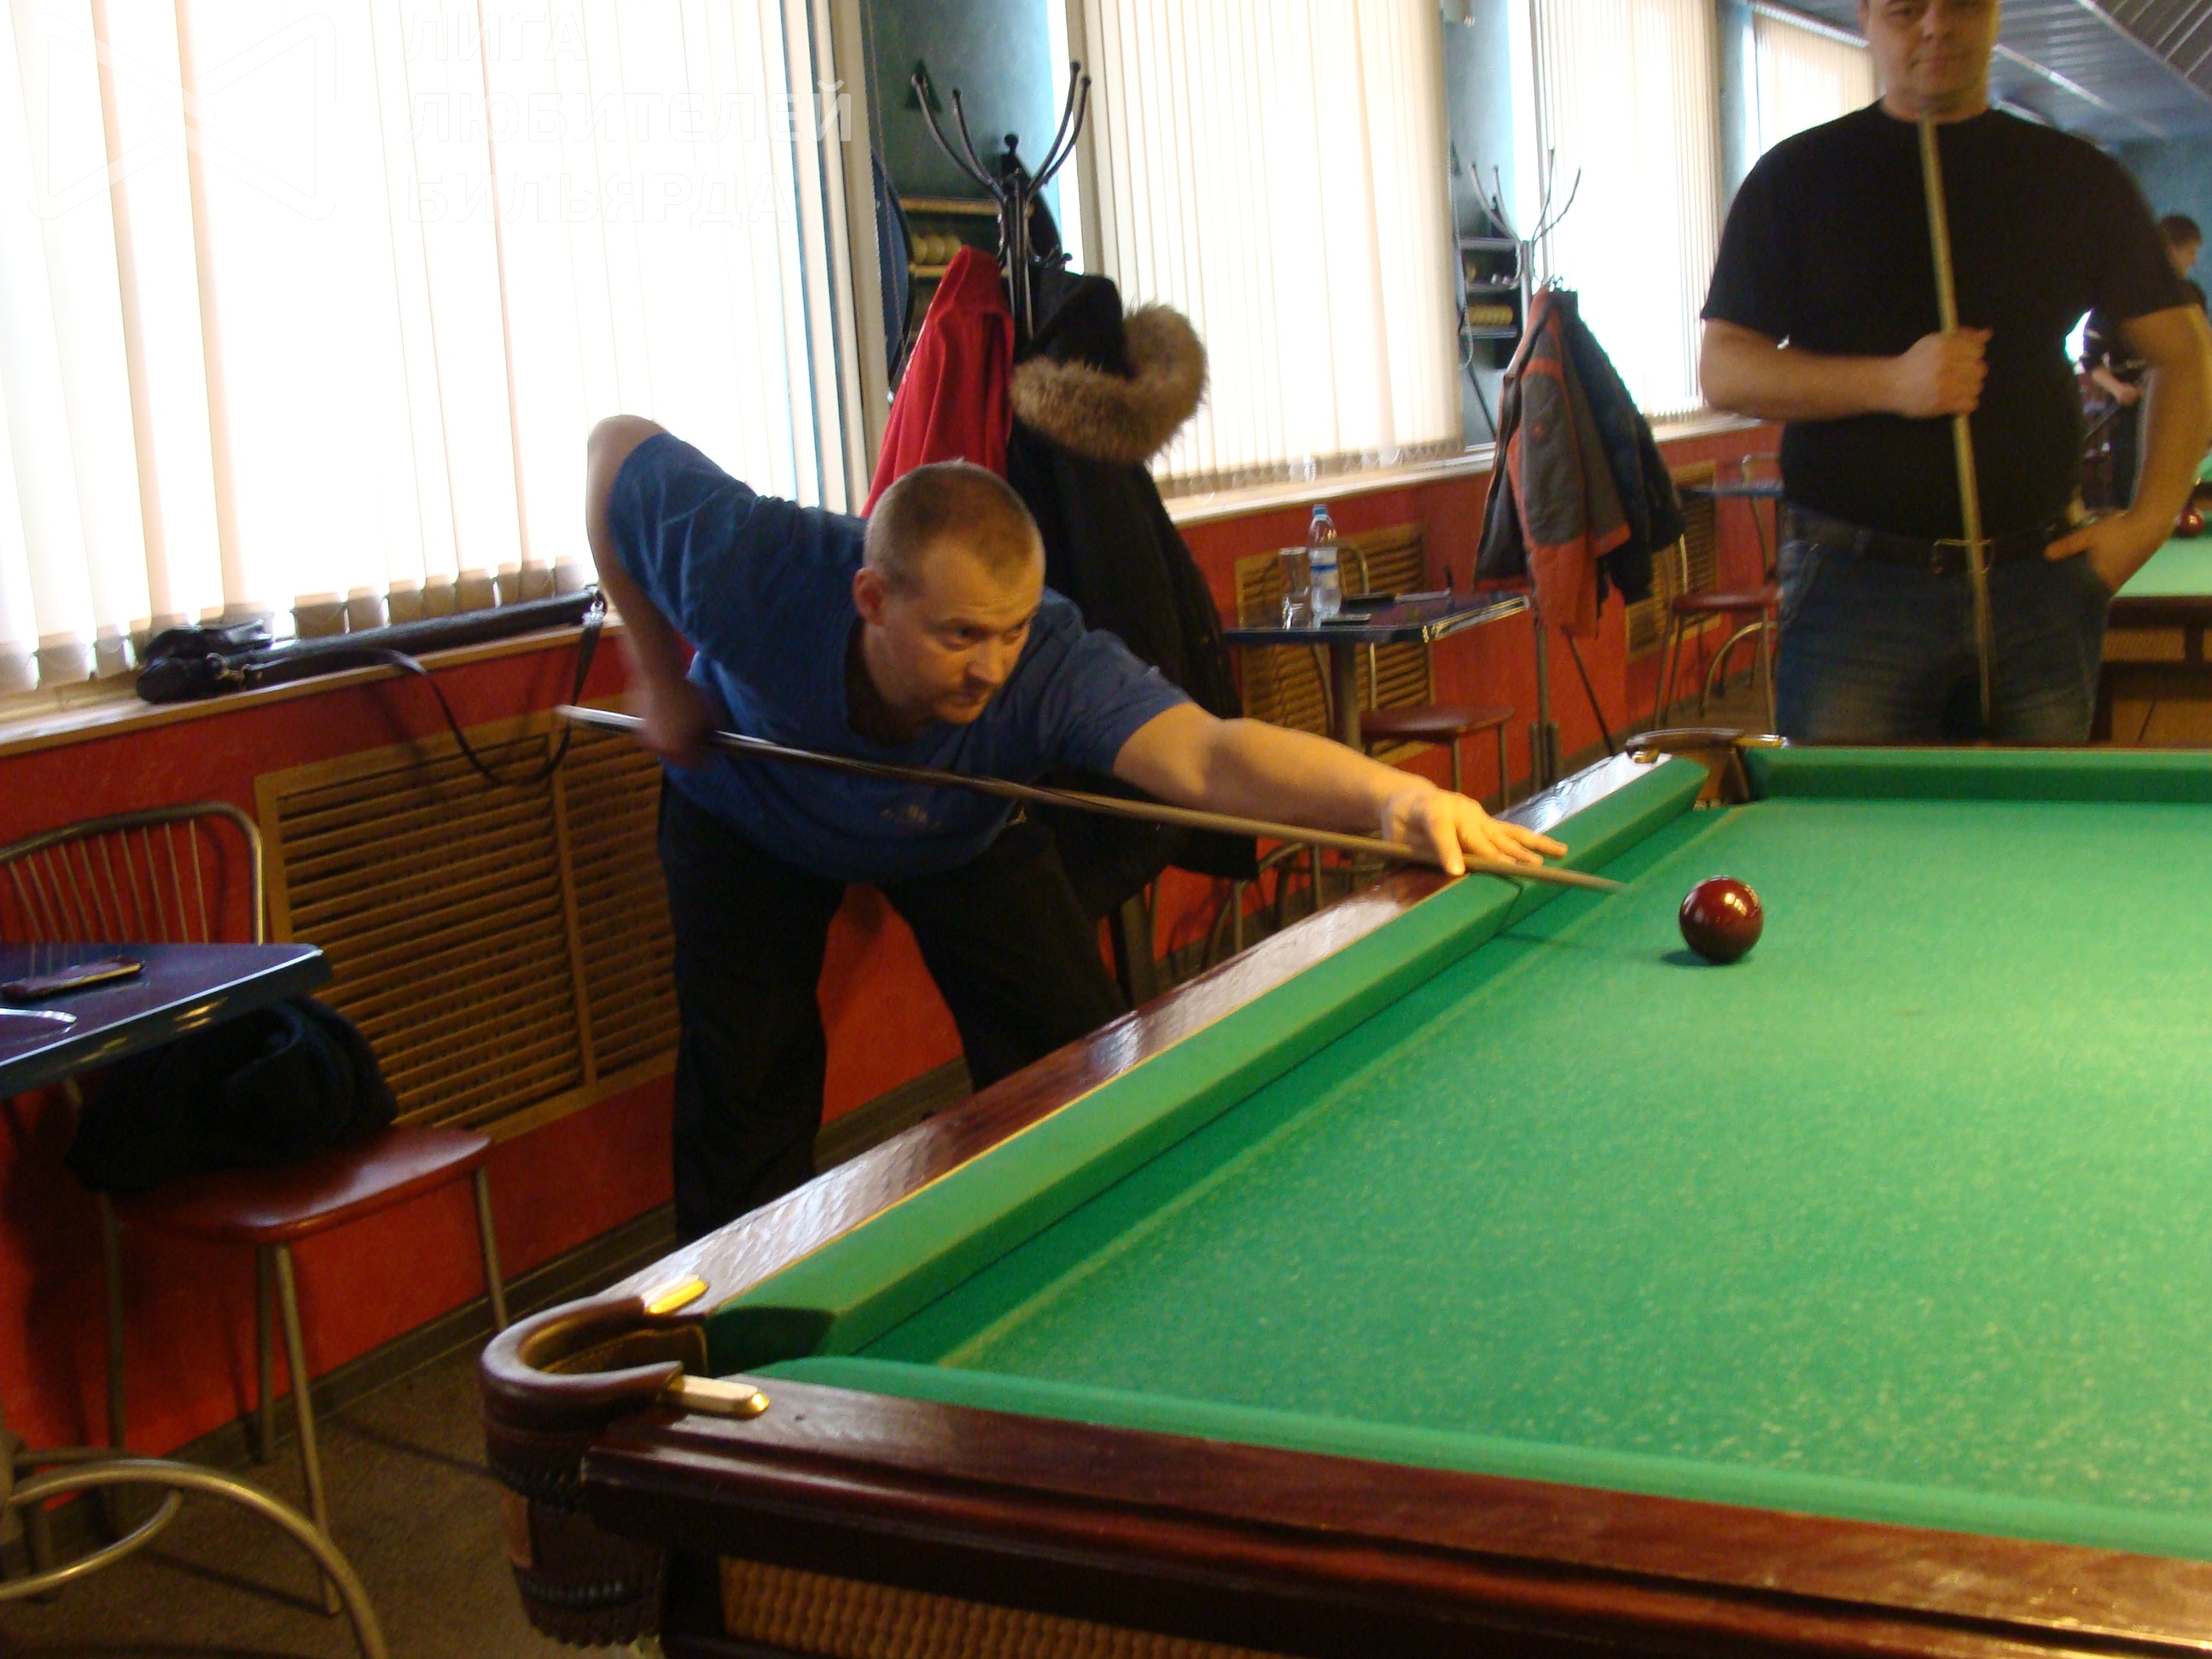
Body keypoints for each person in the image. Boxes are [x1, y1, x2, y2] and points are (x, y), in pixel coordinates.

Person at [584, 417, 1564, 1241]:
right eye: (961, 635)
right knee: (746, 1088)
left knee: (1075, 1060)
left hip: (958, 823)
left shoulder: (1045, 663)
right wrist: (656, 674)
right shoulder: (753, 568)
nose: (991, 667)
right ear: (873, 601)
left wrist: (1392, 800)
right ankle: (727, 1356)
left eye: (1010, 630)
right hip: (751, 809)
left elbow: (1208, 756)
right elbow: (613, 449)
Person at [1698, 0, 2212, 745]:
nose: (1937, 26)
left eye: (1961, 3)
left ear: (1995, 11)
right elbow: (1725, 369)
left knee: (2029, 821)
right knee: (1855, 817)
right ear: (1867, 16)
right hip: (1854, 593)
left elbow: (2185, 352)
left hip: (2038, 584)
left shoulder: (2075, 177)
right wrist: (1892, 383)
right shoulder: (1798, 178)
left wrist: (2148, 523)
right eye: (1908, 9)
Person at [2082, 215, 2205, 508]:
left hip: (2178, 406)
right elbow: (2090, 359)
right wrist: (2118, 389)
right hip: (2131, 413)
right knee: (2133, 489)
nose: (2193, 261)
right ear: (2170, 251)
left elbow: (2200, 350)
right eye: (2190, 252)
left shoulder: (2191, 296)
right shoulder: (2118, 298)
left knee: (2181, 486)